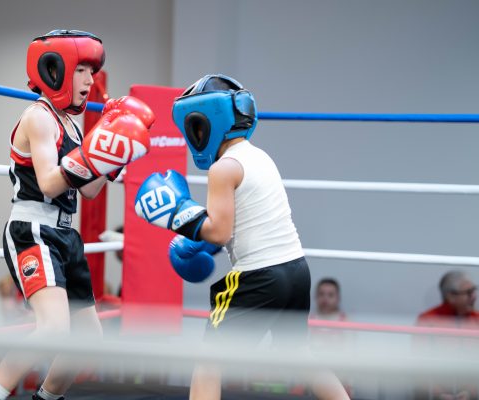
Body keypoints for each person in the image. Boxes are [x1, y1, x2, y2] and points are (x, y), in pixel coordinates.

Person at [134, 74, 349, 400]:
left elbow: (219, 232)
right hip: (295, 269)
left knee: (209, 361)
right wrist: (198, 231)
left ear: (203, 124)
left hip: (259, 275)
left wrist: (177, 214)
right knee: (299, 354)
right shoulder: (260, 157)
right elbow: (239, 225)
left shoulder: (223, 169)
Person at [0, 29, 154, 400]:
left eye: (93, 71)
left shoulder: (72, 124)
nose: (91, 80)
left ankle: (46, 398)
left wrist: (114, 156)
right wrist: (94, 154)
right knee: (54, 329)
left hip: (65, 235)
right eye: (83, 70)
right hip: (33, 229)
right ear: (56, 70)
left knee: (89, 340)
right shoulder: (37, 117)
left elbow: (87, 190)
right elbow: (49, 183)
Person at [414, 270, 479, 400]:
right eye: (468, 292)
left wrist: (471, 391)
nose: (474, 296)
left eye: (474, 290)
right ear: (450, 296)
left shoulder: (477, 319)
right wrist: (438, 393)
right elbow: (419, 362)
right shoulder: (428, 320)